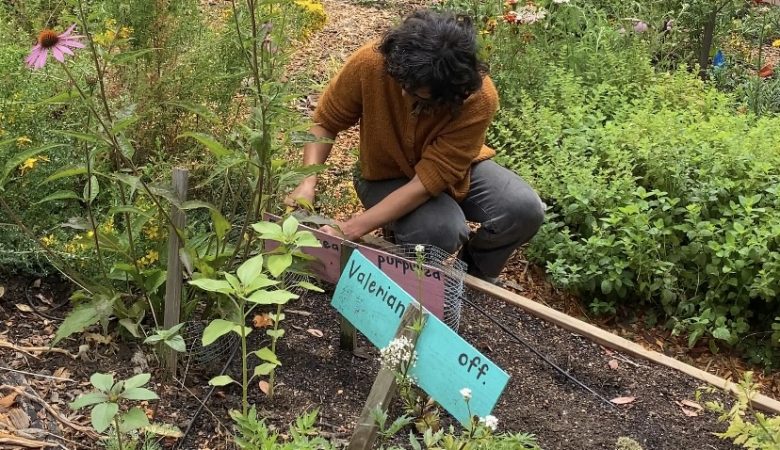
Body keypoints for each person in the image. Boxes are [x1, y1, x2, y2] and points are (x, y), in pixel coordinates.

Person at [285, 8, 545, 283]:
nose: (403, 93)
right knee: (439, 230)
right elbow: (326, 121)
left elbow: (427, 181)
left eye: (418, 94)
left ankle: (469, 279)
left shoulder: (479, 98)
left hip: (453, 171)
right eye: (402, 83)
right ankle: (401, 256)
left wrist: (349, 229)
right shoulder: (373, 63)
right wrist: (307, 182)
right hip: (383, 174)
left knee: (524, 210)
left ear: (452, 93)